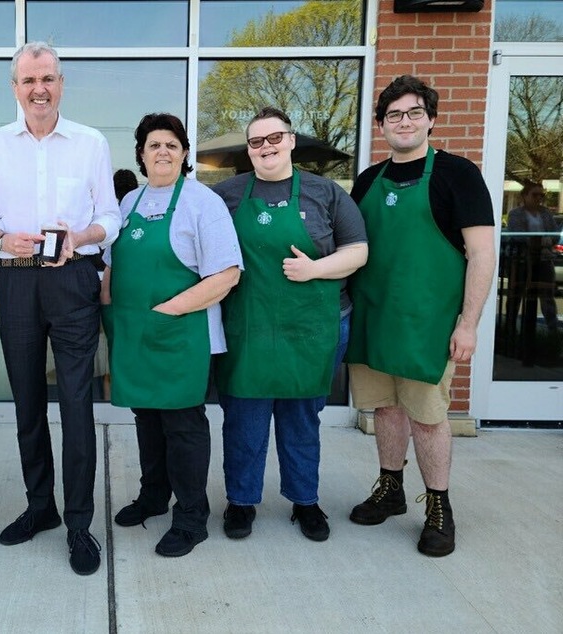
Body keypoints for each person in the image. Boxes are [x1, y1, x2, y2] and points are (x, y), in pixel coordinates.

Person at [0, 42, 121, 576]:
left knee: (77, 405)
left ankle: (80, 523)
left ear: (62, 84)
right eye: (29, 80)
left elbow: (110, 214)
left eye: (49, 79)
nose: (39, 89)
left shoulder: (90, 142)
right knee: (27, 403)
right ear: (15, 88)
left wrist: (82, 235)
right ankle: (42, 508)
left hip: (73, 279)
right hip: (15, 282)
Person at [346, 75, 496, 557]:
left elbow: (481, 254)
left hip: (428, 325)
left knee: (429, 417)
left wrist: (468, 323)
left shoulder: (458, 174)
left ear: (431, 119)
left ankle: (439, 506)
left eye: (413, 113)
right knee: (385, 410)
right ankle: (390, 489)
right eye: (394, 115)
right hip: (374, 317)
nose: (404, 122)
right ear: (381, 125)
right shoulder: (368, 180)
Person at [212, 107, 368, 543]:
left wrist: (316, 270)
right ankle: (241, 502)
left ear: (291, 140)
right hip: (248, 326)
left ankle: (305, 501)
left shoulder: (327, 194)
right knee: (244, 421)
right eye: (257, 142)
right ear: (249, 149)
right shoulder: (225, 194)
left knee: (301, 422)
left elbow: (358, 250)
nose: (267, 147)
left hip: (309, 329)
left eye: (274, 138)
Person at [103, 113, 242, 557]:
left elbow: (226, 274)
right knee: (147, 419)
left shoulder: (203, 202)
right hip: (134, 333)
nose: (162, 151)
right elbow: (110, 266)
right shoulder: (128, 203)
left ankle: (191, 516)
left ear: (184, 154)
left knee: (183, 426)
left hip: (180, 333)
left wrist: (166, 311)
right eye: (153, 145)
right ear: (141, 154)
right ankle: (153, 496)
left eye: (171, 144)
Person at [506, 181, 559, 332]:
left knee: (547, 296)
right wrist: (540, 240)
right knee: (516, 295)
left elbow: (554, 234)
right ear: (525, 195)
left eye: (541, 195)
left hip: (543, 259)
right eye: (535, 195)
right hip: (522, 259)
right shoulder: (516, 214)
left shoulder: (546, 213)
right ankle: (508, 329)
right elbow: (516, 234)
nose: (538, 198)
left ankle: (553, 331)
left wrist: (545, 240)